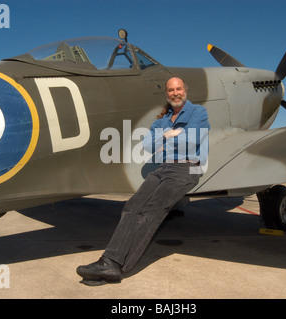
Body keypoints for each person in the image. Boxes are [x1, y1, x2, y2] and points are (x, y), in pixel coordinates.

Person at [76, 77, 210, 285]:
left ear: (185, 90)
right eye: (171, 90)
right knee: (132, 207)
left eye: (179, 89)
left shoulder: (198, 112)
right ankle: (109, 261)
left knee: (152, 211)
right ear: (167, 94)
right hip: (163, 167)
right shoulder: (162, 120)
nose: (176, 93)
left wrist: (164, 138)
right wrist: (172, 133)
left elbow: (192, 141)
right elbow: (147, 145)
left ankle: (118, 266)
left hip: (187, 167)